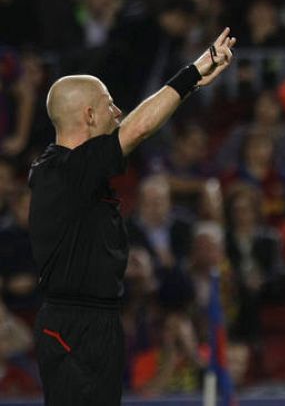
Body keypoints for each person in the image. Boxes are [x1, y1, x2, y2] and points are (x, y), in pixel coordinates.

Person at [28, 27, 235, 406]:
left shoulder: (78, 172)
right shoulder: (63, 172)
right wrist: (192, 73)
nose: (117, 112)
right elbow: (137, 128)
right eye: (109, 105)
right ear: (89, 115)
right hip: (74, 325)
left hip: (96, 321)